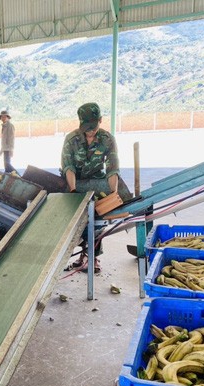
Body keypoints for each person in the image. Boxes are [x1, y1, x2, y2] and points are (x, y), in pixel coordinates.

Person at [60, 102, 120, 274]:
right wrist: (73, 192)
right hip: (75, 183)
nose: (90, 131)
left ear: (100, 120)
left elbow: (112, 168)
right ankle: (80, 255)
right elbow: (68, 167)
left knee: (97, 219)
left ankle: (92, 257)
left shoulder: (107, 139)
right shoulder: (71, 140)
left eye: (93, 127)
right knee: (76, 221)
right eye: (86, 128)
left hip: (97, 183)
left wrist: (113, 194)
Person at [0, 110, 17, 174]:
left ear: (8, 117)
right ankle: (7, 175)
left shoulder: (10, 126)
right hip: (5, 148)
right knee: (6, 165)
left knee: (7, 164)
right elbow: (4, 139)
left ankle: (19, 176)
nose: (3, 118)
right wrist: (2, 149)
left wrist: (11, 149)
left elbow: (11, 139)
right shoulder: (4, 126)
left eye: (5, 117)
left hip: (8, 148)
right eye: (2, 117)